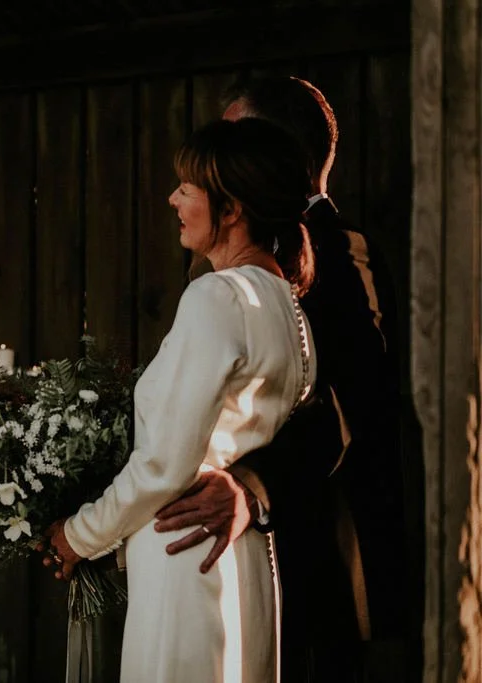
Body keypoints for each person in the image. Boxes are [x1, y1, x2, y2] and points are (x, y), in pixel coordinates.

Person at [152, 76, 412, 682]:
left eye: (232, 138)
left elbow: (358, 399)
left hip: (319, 562)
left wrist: (253, 486)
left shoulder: (342, 249)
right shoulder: (234, 260)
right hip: (234, 557)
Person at [45, 117, 317, 683]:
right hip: (242, 553)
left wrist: (79, 535)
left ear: (232, 208)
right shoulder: (291, 311)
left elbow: (164, 465)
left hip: (183, 553)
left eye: (186, 189)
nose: (173, 199)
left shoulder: (216, 296)